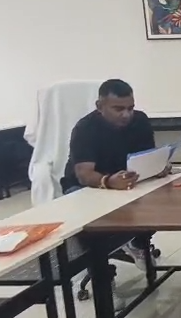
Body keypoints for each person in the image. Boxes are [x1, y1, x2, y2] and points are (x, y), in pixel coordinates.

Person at [61, 79, 167, 269]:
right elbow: (84, 174)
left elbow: (147, 155)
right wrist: (108, 181)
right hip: (86, 186)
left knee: (162, 200)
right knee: (93, 228)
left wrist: (157, 166)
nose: (126, 114)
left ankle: (138, 242)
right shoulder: (85, 129)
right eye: (118, 109)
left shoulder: (140, 120)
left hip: (125, 180)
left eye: (130, 108)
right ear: (100, 106)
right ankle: (99, 271)